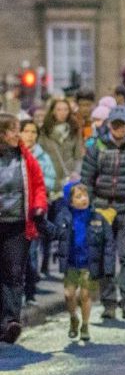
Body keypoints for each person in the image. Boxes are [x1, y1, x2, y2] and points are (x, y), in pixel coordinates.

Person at [80, 106, 125, 320]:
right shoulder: (96, 146)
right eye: (115, 123)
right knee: (105, 257)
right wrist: (87, 206)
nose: (118, 128)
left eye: (122, 124)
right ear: (108, 125)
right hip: (102, 207)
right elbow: (86, 179)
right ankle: (108, 304)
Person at [0, 113, 48, 343]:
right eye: (12, 129)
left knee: (14, 272)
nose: (17, 134)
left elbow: (38, 184)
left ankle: (11, 321)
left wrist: (39, 207)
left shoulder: (25, 157)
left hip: (19, 224)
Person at [56, 182, 110, 341]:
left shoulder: (97, 217)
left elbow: (108, 242)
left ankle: (85, 325)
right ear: (70, 201)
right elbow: (56, 233)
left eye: (85, 195)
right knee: (68, 294)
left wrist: (107, 265)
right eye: (78, 197)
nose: (84, 199)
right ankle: (73, 317)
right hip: (71, 263)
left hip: (89, 263)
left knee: (86, 295)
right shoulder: (64, 216)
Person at [18, 119, 58, 304]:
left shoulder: (42, 157)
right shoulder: (13, 154)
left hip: (34, 210)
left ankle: (30, 290)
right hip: (15, 210)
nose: (30, 135)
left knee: (32, 253)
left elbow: (48, 180)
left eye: (33, 132)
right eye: (26, 131)